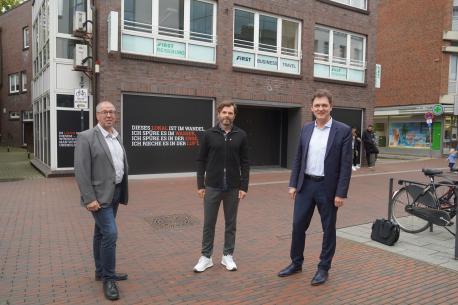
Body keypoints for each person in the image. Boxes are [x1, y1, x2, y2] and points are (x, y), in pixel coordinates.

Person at [277, 89, 352, 286]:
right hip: (306, 185)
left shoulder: (342, 130)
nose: (320, 108)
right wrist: (293, 183)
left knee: (328, 229)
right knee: (298, 225)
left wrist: (341, 193)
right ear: (311, 108)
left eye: (324, 105)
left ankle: (323, 268)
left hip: (328, 188)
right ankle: (296, 262)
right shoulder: (306, 128)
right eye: (317, 105)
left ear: (331, 107)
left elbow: (346, 165)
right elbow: (298, 157)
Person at [74, 101, 129, 301]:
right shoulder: (86, 137)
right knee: (111, 235)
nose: (109, 115)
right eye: (105, 112)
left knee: (101, 233)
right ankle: (108, 278)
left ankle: (100, 271)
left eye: (112, 112)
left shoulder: (116, 136)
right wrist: (89, 198)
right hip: (98, 197)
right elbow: (81, 170)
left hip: (115, 193)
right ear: (97, 116)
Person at [194, 100, 250, 273]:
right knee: (209, 223)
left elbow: (245, 162)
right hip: (212, 186)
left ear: (234, 115)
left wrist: (244, 186)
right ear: (219, 113)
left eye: (230, 113)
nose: (227, 116)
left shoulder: (241, 135)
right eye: (224, 112)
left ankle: (227, 255)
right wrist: (200, 185)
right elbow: (201, 160)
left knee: (230, 223)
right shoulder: (209, 134)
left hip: (233, 187)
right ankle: (206, 257)